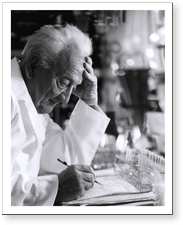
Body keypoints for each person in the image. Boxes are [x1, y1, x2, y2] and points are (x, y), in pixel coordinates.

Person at [11, 24, 110, 206]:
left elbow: (63, 162)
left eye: (74, 87)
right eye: (64, 82)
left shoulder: (34, 103)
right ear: (33, 66)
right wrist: (55, 189)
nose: (65, 99)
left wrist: (89, 102)